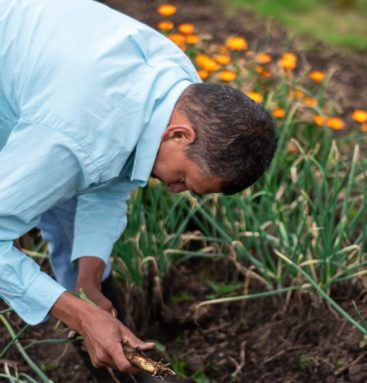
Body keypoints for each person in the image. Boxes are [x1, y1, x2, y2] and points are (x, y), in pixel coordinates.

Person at [0, 0, 277, 379]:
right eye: (184, 180)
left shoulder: (179, 91)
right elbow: (91, 148)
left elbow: (112, 175)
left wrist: (88, 280)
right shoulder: (74, 137)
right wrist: (80, 317)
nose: (176, 189)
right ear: (180, 135)